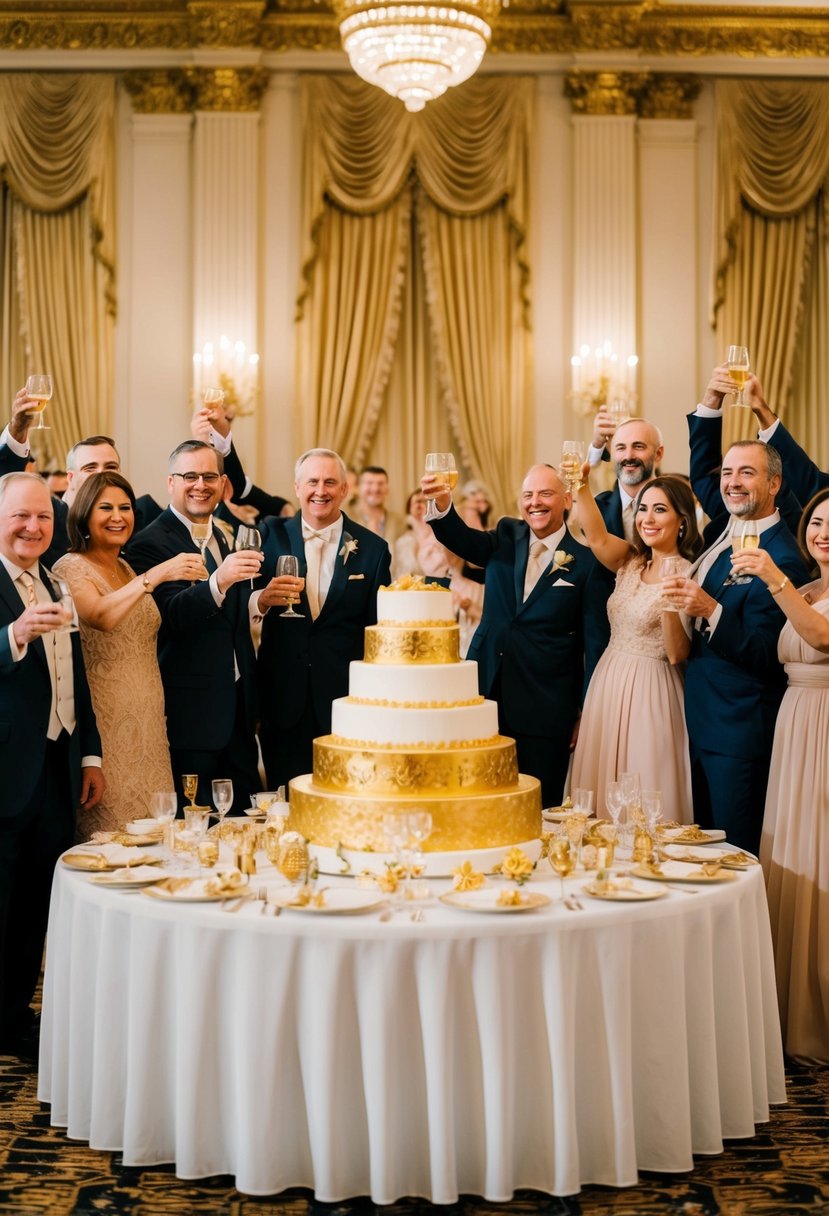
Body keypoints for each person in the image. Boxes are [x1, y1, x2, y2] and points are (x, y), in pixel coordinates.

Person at [424, 463, 606, 806]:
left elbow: (593, 643)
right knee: (477, 799)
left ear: (567, 499)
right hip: (484, 694)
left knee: (536, 805)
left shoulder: (587, 563)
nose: (535, 502)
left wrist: (585, 710)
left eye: (545, 494)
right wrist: (444, 505)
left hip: (547, 707)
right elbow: (461, 539)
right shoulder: (506, 535)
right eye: (528, 495)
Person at [664, 436, 809, 854]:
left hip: (741, 731)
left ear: (774, 483)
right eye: (728, 472)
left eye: (747, 472)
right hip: (701, 722)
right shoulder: (722, 537)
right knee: (703, 851)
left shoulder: (786, 556)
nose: (733, 482)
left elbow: (769, 654)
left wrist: (711, 609)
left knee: (736, 855)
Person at [0, 472, 103, 1059]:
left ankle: (15, 1016)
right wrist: (12, 634)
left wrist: (88, 752)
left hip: (57, 766)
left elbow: (75, 675)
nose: (33, 527)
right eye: (20, 516)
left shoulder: (53, 581)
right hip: (7, 767)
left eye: (42, 517)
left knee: (37, 898)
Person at [730, 489, 829, 1064]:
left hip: (824, 728)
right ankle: (790, 1008)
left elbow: (819, 636)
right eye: (816, 522)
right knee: (791, 853)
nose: (822, 532)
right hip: (793, 726)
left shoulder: (797, 590)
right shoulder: (811, 588)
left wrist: (772, 578)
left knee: (819, 854)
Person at [54, 472, 202, 836]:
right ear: (85, 514)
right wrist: (157, 575)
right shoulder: (69, 568)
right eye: (106, 507)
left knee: (156, 834)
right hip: (107, 729)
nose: (118, 516)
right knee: (113, 843)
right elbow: (101, 616)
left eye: (125, 507)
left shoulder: (124, 567)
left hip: (151, 726)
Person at [126, 441, 263, 812]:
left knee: (244, 822)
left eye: (209, 476)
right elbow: (171, 617)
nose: (200, 484)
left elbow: (227, 620)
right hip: (192, 713)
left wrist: (258, 602)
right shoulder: (148, 544)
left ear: (222, 483)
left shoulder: (222, 534)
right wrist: (219, 581)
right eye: (190, 476)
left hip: (237, 709)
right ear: (171, 482)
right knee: (196, 824)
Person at [255, 448, 391, 788]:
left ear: (345, 490)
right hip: (280, 701)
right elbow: (244, 600)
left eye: (330, 482)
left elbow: (379, 633)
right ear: (298, 487)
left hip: (345, 703)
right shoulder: (268, 536)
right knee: (284, 805)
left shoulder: (374, 549)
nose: (321, 490)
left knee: (343, 802)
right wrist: (261, 599)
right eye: (312, 481)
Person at [570, 472, 703, 821]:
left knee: (645, 784)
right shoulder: (630, 560)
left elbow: (677, 654)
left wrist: (670, 599)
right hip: (608, 681)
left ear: (682, 521)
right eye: (643, 509)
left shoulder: (690, 573)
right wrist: (581, 485)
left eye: (660, 510)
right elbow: (596, 538)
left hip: (651, 690)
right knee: (601, 785)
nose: (648, 518)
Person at [391, 490, 453, 581]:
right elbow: (403, 574)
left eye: (427, 501)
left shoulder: (443, 535)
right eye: (418, 502)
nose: (423, 506)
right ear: (409, 510)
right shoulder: (404, 541)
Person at [350, 466, 407, 547]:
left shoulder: (399, 522)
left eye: (380, 484)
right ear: (359, 487)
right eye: (369, 483)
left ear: (387, 488)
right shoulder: (347, 518)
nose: (375, 488)